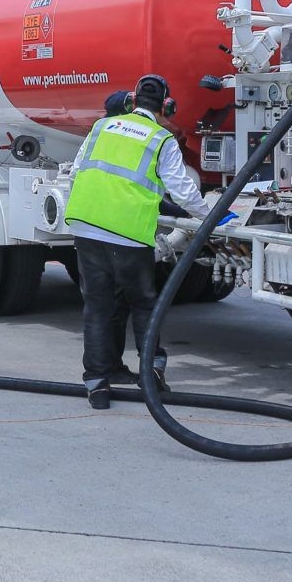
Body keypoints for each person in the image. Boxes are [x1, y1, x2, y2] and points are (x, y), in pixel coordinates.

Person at [64, 73, 231, 408]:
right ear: (166, 105)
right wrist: (212, 215)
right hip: (128, 233)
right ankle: (150, 375)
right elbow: (183, 191)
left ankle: (97, 384)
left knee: (98, 307)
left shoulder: (101, 127)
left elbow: (75, 172)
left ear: (133, 100)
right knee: (143, 305)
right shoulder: (161, 139)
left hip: (84, 225)